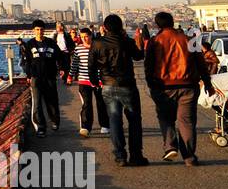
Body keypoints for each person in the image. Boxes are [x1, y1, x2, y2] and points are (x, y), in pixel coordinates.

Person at [144, 12, 217, 166]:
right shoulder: (190, 40)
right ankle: (189, 156)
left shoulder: (155, 41)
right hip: (188, 85)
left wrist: (151, 84)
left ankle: (170, 146)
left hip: (163, 87)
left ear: (157, 25)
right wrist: (208, 84)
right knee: (187, 121)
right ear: (172, 22)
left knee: (166, 118)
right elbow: (201, 65)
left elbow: (148, 66)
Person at [90, 14, 148, 166]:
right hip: (127, 85)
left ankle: (120, 155)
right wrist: (140, 42)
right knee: (134, 120)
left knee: (114, 120)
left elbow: (91, 65)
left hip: (108, 85)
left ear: (105, 27)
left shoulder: (97, 43)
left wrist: (95, 81)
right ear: (121, 26)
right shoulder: (126, 41)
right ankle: (136, 155)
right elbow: (138, 56)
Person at [20, 20, 65, 137]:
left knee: (52, 101)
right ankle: (41, 127)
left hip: (50, 77)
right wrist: (29, 75)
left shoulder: (51, 43)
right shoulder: (29, 44)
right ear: (34, 31)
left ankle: (54, 121)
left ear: (44, 30)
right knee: (37, 103)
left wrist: (61, 68)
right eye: (37, 30)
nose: (39, 32)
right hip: (36, 78)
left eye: (41, 29)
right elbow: (26, 62)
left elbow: (59, 57)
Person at [68, 28, 106, 137]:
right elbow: (74, 64)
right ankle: (85, 127)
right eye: (83, 36)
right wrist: (70, 75)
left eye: (87, 36)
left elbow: (103, 63)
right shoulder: (78, 49)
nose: (85, 38)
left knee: (101, 103)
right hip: (84, 80)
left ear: (91, 36)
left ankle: (104, 125)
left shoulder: (98, 48)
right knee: (86, 104)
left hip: (98, 80)